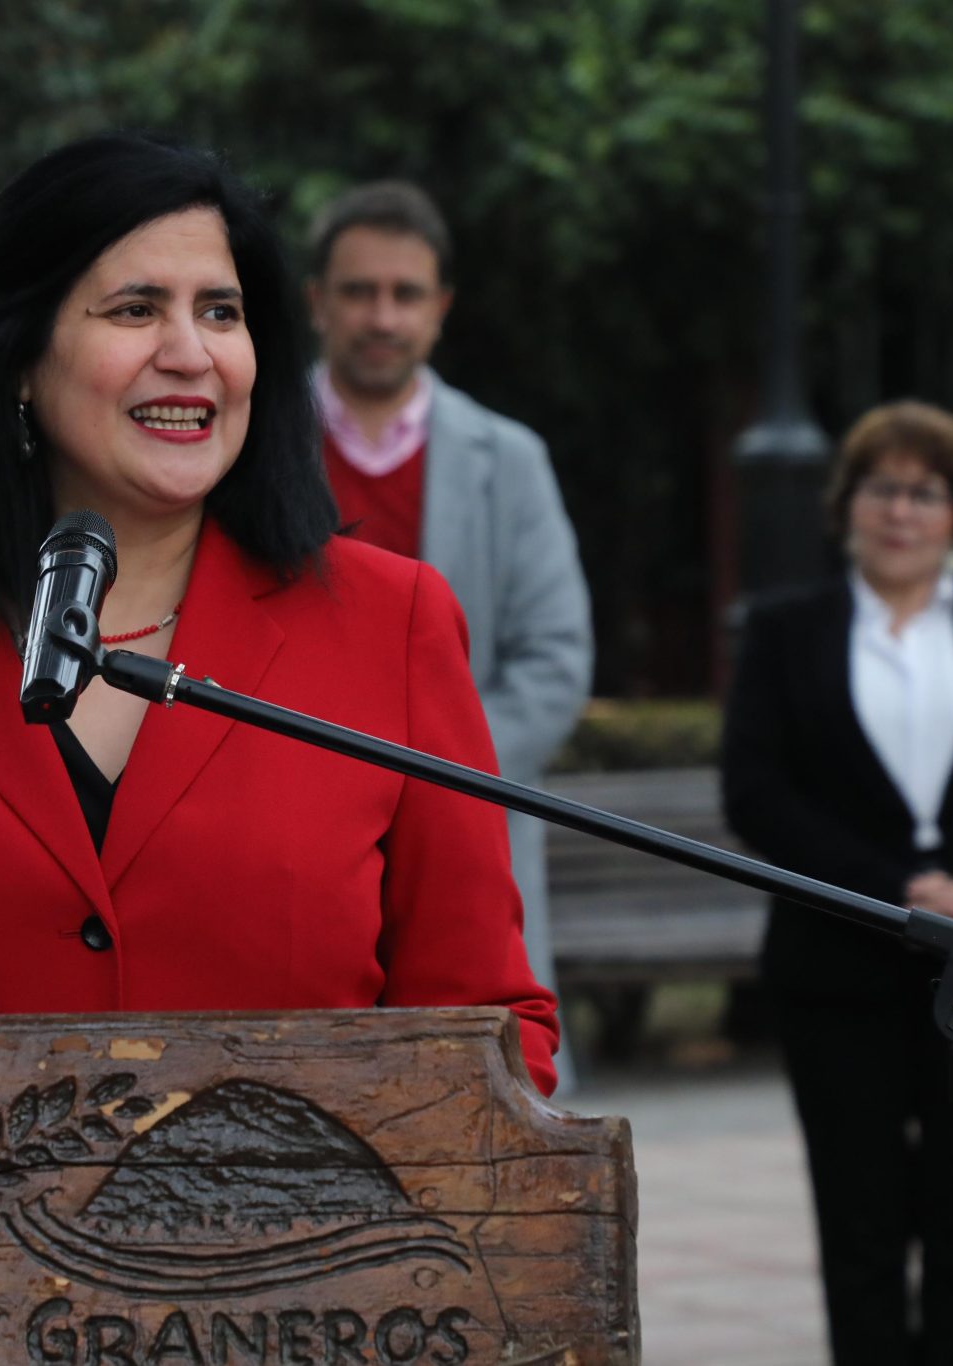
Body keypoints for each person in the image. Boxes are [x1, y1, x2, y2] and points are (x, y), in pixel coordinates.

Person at [0, 133, 558, 1093]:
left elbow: (486, 1026)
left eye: (220, 311)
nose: (190, 354)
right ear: (19, 361)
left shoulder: (392, 622)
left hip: (311, 1239)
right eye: (134, 309)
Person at [721, 400, 953, 1366]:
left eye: (927, 492)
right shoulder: (790, 627)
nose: (902, 512)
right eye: (883, 488)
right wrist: (891, 891)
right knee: (862, 1230)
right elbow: (757, 789)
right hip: (838, 966)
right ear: (849, 505)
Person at [304, 180, 593, 1089]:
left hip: (464, 810)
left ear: (441, 309)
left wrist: (437, 780)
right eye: (358, 291)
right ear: (317, 301)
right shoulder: (248, 443)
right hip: (293, 812)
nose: (381, 316)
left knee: (476, 1082)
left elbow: (554, 659)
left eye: (405, 293)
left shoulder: (507, 459)